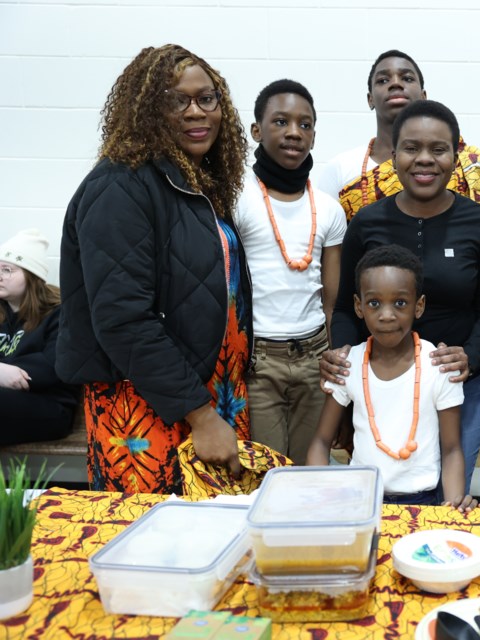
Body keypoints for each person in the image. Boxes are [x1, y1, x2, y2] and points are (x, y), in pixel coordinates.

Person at [57, 44, 250, 494]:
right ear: (145, 110)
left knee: (215, 543)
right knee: (153, 547)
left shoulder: (192, 186)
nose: (196, 111)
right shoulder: (120, 186)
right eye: (175, 100)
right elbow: (123, 319)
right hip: (148, 408)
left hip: (209, 396)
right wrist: (200, 415)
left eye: (207, 98)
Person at [324, 100, 480, 494]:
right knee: (386, 493)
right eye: (411, 148)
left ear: (457, 156)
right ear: (393, 156)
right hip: (382, 386)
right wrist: (343, 360)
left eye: (438, 149)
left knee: (447, 494)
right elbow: (344, 309)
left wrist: (470, 357)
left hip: (459, 385)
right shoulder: (367, 221)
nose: (424, 159)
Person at [308, 245, 478, 511]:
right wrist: (319, 496)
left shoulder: (439, 366)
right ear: (358, 306)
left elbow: (452, 449)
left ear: (418, 306)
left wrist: (453, 504)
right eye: (374, 303)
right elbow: (320, 441)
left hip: (423, 502)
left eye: (400, 303)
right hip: (360, 500)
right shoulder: (348, 364)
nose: (387, 315)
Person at [235, 79, 346, 464]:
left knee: (309, 472)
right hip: (258, 360)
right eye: (281, 122)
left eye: (305, 124)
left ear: (314, 136)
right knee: (266, 470)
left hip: (315, 356)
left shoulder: (329, 209)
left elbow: (330, 302)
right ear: (256, 130)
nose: (294, 132)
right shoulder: (237, 198)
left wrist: (332, 369)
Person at [315, 49, 480, 220]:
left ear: (424, 96)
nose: (395, 84)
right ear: (370, 99)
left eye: (407, 78)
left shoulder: (463, 162)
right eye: (383, 80)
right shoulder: (340, 169)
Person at [0, 229, 76, 444]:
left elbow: (52, 368)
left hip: (49, 406)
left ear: (31, 276)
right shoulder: (1, 313)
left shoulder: (60, 314)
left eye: (7, 270)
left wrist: (9, 370)